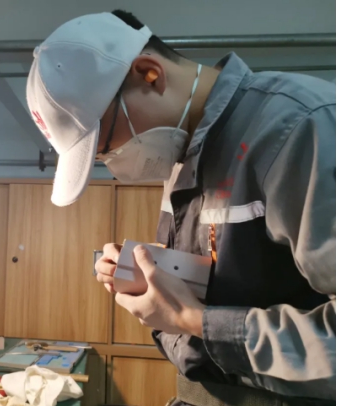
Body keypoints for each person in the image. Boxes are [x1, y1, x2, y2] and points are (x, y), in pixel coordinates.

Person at [26, 9, 336, 406]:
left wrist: (192, 320)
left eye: (107, 144)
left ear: (149, 74)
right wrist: (147, 274)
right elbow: (233, 275)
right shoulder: (183, 153)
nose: (115, 162)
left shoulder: (300, 127)